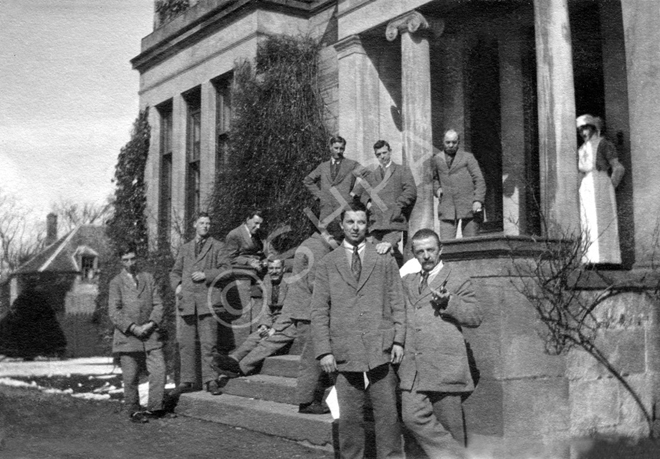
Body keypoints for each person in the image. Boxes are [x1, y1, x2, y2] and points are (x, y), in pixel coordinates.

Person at [213, 223, 342, 417]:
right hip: (308, 312)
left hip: (297, 314)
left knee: (307, 356)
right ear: (331, 237)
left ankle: (239, 365)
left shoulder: (308, 244)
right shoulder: (320, 249)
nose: (337, 247)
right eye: (338, 243)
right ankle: (307, 401)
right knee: (312, 359)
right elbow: (316, 283)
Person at [311, 201, 406, 458]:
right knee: (349, 420)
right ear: (341, 225)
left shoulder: (383, 258)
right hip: (344, 352)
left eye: (361, 222)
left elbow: (398, 301)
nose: (355, 227)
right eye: (350, 222)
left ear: (368, 226)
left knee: (388, 417)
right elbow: (319, 311)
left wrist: (398, 340)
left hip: (381, 349)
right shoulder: (327, 264)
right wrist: (324, 351)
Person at [399, 229, 482, 458]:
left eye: (430, 250)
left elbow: (475, 316)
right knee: (412, 416)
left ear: (440, 250)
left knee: (450, 428)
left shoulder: (456, 277)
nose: (426, 256)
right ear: (414, 254)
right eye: (420, 251)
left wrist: (450, 302)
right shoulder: (407, 281)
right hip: (413, 367)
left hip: (445, 366)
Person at [170, 212, 227, 395]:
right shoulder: (185, 248)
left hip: (207, 302)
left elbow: (227, 270)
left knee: (209, 344)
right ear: (195, 224)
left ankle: (210, 380)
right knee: (186, 344)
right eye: (202, 223)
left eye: (208, 223)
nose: (205, 226)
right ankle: (187, 381)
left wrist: (207, 275)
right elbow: (175, 272)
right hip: (187, 302)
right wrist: (177, 286)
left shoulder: (218, 246)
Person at [108, 245, 167, 423]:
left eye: (133, 259)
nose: (130, 263)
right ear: (120, 261)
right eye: (126, 260)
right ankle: (133, 410)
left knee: (159, 370)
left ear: (137, 258)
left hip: (150, 335)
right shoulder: (116, 282)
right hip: (127, 337)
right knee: (131, 375)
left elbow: (158, 305)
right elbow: (114, 312)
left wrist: (150, 324)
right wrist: (133, 328)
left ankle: (155, 408)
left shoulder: (148, 278)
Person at [355, 140, 417, 265]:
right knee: (376, 257)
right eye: (379, 154)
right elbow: (363, 194)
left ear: (390, 152)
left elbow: (411, 191)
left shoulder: (401, 170)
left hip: (394, 221)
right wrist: (368, 204)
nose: (382, 156)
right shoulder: (373, 175)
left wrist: (397, 206)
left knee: (385, 252)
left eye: (384, 153)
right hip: (377, 223)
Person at [576, 114, 625, 264]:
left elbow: (618, 167)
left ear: (593, 128)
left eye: (586, 128)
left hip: (600, 182)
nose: (583, 133)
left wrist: (610, 184)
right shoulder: (582, 149)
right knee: (588, 220)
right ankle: (590, 259)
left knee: (603, 219)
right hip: (586, 185)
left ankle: (607, 259)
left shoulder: (603, 143)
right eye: (580, 130)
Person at [223, 259, 289, 364]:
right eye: (271, 268)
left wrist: (274, 329)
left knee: (268, 340)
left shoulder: (290, 283)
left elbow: (289, 311)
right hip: (272, 319)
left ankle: (241, 366)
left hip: (286, 323)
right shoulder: (267, 280)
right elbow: (266, 306)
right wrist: (264, 325)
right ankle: (233, 359)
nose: (274, 271)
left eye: (277, 268)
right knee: (255, 336)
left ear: (283, 269)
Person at [432, 129, 486, 239]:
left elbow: (479, 180)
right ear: (443, 142)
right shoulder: (437, 159)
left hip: (469, 206)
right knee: (446, 244)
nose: (451, 145)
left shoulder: (468, 157)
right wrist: (437, 189)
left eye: (454, 142)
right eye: (448, 142)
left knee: (471, 243)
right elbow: (434, 179)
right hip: (447, 208)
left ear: (458, 142)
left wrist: (478, 200)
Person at [303, 135, 368, 225]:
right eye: (336, 148)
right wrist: (320, 196)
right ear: (330, 148)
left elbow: (370, 176)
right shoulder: (323, 166)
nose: (338, 151)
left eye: (341, 148)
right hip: (326, 210)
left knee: (345, 236)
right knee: (327, 237)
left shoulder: (352, 164)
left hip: (344, 208)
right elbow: (307, 180)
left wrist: (356, 192)